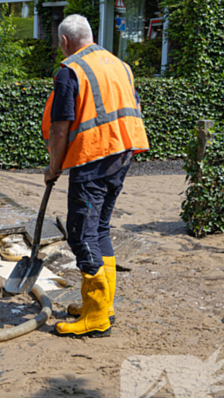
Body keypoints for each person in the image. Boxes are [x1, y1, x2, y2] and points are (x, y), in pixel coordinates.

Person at [41, 14, 149, 338]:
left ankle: (97, 317)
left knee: (80, 234)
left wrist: (54, 167)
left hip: (93, 159)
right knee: (100, 227)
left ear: (64, 41)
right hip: (122, 153)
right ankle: (102, 305)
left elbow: (60, 130)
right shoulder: (120, 65)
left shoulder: (70, 70)